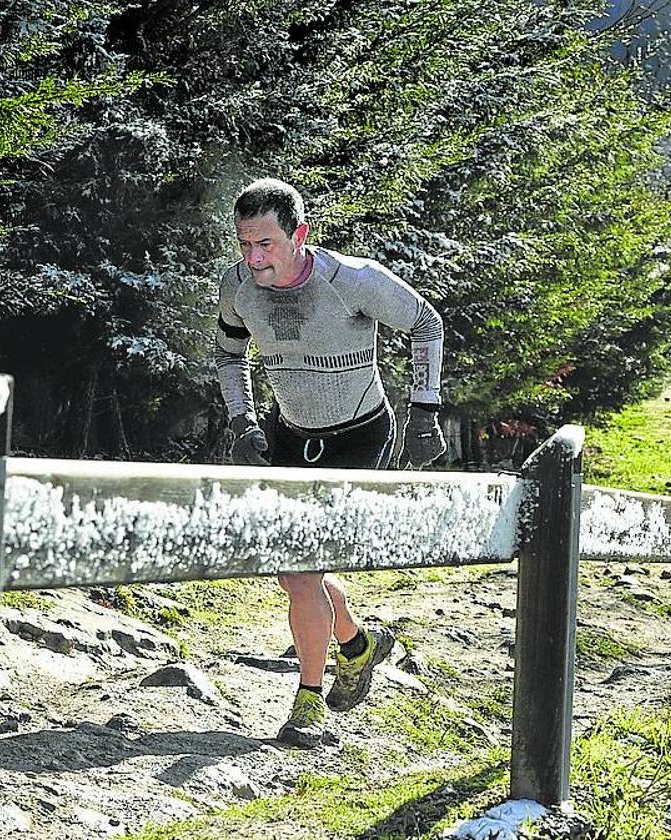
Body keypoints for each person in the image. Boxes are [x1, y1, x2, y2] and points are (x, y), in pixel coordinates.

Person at [215, 177, 447, 748]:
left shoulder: (352, 281)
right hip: (289, 435)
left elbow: (427, 324)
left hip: (359, 436)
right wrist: (243, 422)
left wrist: (425, 410)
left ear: (301, 234)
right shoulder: (238, 287)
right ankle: (358, 645)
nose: (253, 256)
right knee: (297, 573)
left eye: (265, 243)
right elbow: (228, 353)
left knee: (301, 572)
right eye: (245, 243)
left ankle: (308, 701)